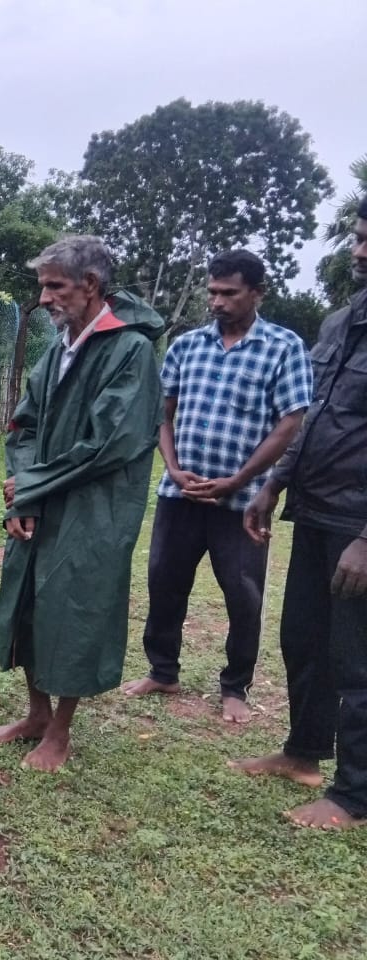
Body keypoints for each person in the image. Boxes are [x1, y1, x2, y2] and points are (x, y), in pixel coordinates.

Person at [0, 235, 163, 772]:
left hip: (95, 508)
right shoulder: (59, 346)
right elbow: (24, 424)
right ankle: (36, 713)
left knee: (75, 608)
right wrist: (22, 490)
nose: (43, 298)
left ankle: (61, 731)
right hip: (42, 499)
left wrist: (32, 486)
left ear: (90, 286)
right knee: (28, 603)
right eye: (42, 286)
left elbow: (110, 443)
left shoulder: (129, 350)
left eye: (54, 286)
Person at [122, 250, 311, 723]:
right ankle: (162, 670)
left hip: (242, 501)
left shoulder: (284, 348)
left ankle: (235, 687)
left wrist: (241, 480)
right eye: (212, 291)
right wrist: (172, 465)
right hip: (179, 494)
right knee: (164, 582)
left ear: (257, 293)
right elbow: (162, 415)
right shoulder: (187, 346)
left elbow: (290, 424)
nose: (217, 301)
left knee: (243, 594)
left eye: (229, 292)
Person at [229, 198, 367, 830]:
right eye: (358, 239)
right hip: (314, 509)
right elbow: (310, 415)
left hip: (357, 524)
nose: (359, 253)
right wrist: (273, 485)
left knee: (356, 658)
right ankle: (304, 754)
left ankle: (354, 795)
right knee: (303, 639)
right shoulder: (341, 321)